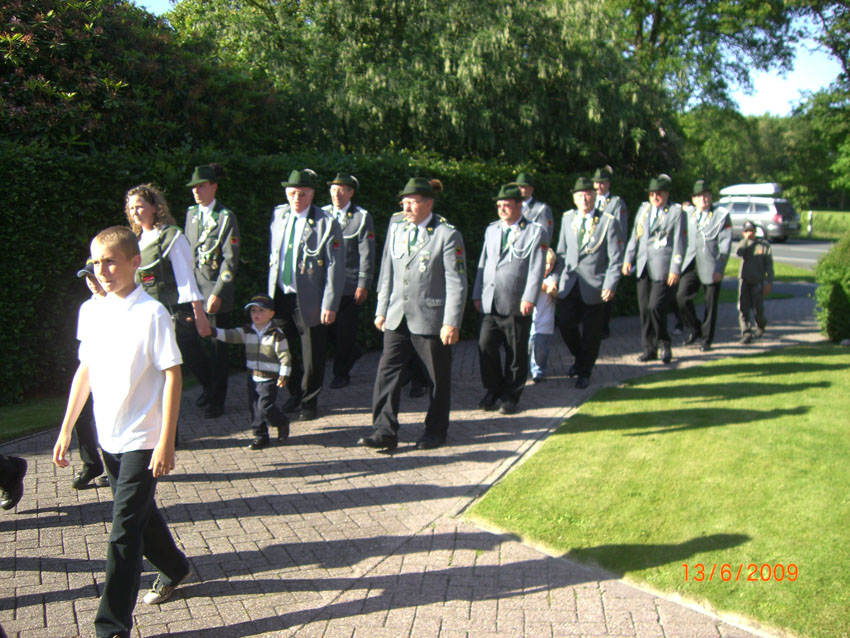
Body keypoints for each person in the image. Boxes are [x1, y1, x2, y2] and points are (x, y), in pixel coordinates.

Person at [53, 226, 191, 638]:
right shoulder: (91, 311)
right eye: (96, 262)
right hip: (107, 436)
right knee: (139, 516)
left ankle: (110, 627)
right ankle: (175, 567)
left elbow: (173, 376)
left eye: (111, 261)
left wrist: (166, 441)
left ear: (135, 262)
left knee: (123, 532)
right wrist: (65, 429)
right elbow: (85, 371)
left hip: (143, 441)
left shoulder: (152, 313)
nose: (102, 270)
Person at [358, 178, 467, 451]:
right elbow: (387, 270)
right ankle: (384, 431)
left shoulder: (446, 234)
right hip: (397, 315)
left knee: (436, 378)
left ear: (428, 203)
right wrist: (381, 309)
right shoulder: (396, 226)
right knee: (387, 373)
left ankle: (435, 431)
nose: (405, 207)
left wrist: (451, 322)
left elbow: (456, 282)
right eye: (403, 202)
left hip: (431, 318)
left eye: (412, 202)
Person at [267, 169, 345, 421]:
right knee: (284, 349)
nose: (297, 198)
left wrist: (330, 303)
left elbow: (335, 265)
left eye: (302, 194)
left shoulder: (325, 222)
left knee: (313, 352)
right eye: (292, 193)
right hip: (281, 293)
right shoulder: (279, 215)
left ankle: (310, 400)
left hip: (311, 297)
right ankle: (295, 392)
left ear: (312, 194)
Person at [472, 183, 546, 414]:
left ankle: (511, 395)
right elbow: (483, 263)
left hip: (516, 301)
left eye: (506, 205)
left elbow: (537, 268)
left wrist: (529, 297)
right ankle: (493, 389)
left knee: (515, 352)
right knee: (485, 345)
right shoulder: (492, 230)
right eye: (499, 205)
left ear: (519, 206)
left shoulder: (534, 231)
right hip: (490, 299)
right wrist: (477, 293)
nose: (502, 209)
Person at [181, 164, 239, 419]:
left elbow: (230, 261)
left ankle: (217, 401)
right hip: (193, 291)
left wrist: (218, 292)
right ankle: (208, 386)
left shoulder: (226, 217)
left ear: (214, 187)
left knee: (217, 351)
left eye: (202, 186)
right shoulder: (191, 214)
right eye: (194, 187)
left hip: (216, 292)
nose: (196, 191)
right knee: (188, 344)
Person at [555, 176, 624, 388]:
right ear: (574, 199)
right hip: (570, 283)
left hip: (595, 285)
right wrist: (555, 279)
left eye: (587, 195)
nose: (584, 199)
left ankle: (584, 371)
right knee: (566, 324)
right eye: (580, 195)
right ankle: (581, 358)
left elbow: (615, 258)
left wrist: (610, 284)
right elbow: (560, 253)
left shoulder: (607, 221)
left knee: (592, 333)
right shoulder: (567, 219)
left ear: (594, 196)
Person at [622, 174, 686, 364]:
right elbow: (635, 236)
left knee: (655, 306)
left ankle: (664, 342)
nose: (655, 197)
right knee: (644, 310)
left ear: (666, 194)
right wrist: (628, 259)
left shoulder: (675, 212)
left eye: (659, 193)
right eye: (652, 194)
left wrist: (675, 268)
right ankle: (649, 348)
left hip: (663, 267)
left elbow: (679, 242)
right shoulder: (644, 210)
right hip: (643, 265)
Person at [214, 294, 291, 450]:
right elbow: (230, 335)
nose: (256, 314)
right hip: (252, 376)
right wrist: (212, 331)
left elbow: (285, 357)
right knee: (254, 408)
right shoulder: (247, 330)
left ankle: (281, 422)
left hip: (269, 378)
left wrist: (284, 375)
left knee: (265, 407)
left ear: (271, 314)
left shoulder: (276, 334)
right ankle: (260, 436)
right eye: (253, 310)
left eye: (261, 310)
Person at [322, 173, 376, 389]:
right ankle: (353, 351)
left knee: (345, 331)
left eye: (342, 190)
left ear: (351, 192)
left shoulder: (361, 217)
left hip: (348, 284)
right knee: (327, 330)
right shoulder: (322, 214)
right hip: (325, 285)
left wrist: (363, 284)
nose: (337, 194)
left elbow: (367, 253)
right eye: (334, 190)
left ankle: (341, 373)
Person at [676, 180, 732, 351]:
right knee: (681, 297)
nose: (703, 199)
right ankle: (694, 328)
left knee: (710, 304)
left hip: (710, 264)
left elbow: (725, 244)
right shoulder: (688, 214)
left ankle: (707, 339)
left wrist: (720, 268)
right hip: (691, 263)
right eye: (699, 196)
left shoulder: (720, 215)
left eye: (706, 195)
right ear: (693, 199)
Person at [69, 260, 109, 490]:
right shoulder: (86, 308)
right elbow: (84, 346)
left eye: (95, 277)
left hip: (115, 374)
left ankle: (118, 468)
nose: (92, 282)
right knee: (80, 416)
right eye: (88, 278)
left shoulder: (121, 305)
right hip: (92, 370)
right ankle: (91, 464)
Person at [593, 166, 629, 339]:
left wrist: (619, 253)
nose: (599, 187)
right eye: (596, 183)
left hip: (608, 250)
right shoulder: (590, 201)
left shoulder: (616, 203)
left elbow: (621, 229)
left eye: (602, 183)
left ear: (608, 184)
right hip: (593, 251)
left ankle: (603, 326)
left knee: (606, 287)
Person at [736, 220, 774, 344]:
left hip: (758, 281)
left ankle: (761, 324)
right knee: (743, 308)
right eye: (747, 231)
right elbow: (738, 252)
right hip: (744, 280)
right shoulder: (743, 244)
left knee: (758, 308)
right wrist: (746, 241)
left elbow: (769, 265)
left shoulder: (763, 245)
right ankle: (746, 332)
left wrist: (769, 281)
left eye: (751, 231)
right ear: (743, 233)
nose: (750, 233)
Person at [529, 248, 558, 383]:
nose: (548, 267)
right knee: (530, 346)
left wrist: (552, 291)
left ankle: (538, 370)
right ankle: (532, 367)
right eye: (546, 263)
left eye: (551, 264)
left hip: (545, 321)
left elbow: (556, 293)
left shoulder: (552, 280)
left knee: (540, 348)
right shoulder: (534, 277)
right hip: (533, 320)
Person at [515, 172, 555, 243]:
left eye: (523, 187)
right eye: (517, 187)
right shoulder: (512, 208)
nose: (519, 189)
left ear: (531, 189)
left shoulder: (541, 209)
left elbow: (546, 236)